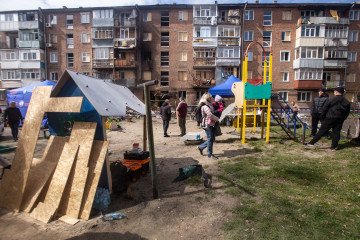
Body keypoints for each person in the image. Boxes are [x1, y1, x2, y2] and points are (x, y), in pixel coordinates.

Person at [306, 86, 350, 150]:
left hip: (329, 117)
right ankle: (334, 147)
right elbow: (347, 112)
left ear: (337, 92)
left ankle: (311, 143)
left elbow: (324, 109)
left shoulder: (330, 99)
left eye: (334, 91)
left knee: (321, 131)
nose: (334, 92)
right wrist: (343, 118)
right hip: (340, 119)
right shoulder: (346, 101)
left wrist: (323, 117)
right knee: (336, 132)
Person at [197, 93, 220, 159]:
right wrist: (217, 119)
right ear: (208, 98)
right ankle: (210, 154)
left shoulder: (209, 105)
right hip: (207, 124)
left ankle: (201, 147)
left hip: (210, 124)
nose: (212, 98)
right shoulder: (205, 106)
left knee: (211, 139)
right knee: (210, 139)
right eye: (210, 97)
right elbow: (210, 115)